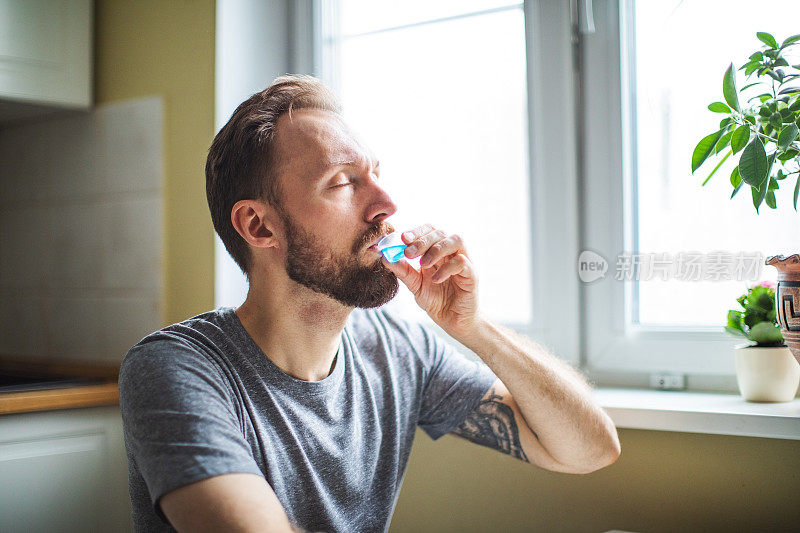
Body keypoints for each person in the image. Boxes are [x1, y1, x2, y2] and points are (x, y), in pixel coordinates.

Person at [118, 74, 620, 533]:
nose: (387, 204)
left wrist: (473, 329)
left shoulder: (401, 351)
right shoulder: (175, 369)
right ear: (259, 226)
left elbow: (590, 450)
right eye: (342, 182)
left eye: (376, 173)